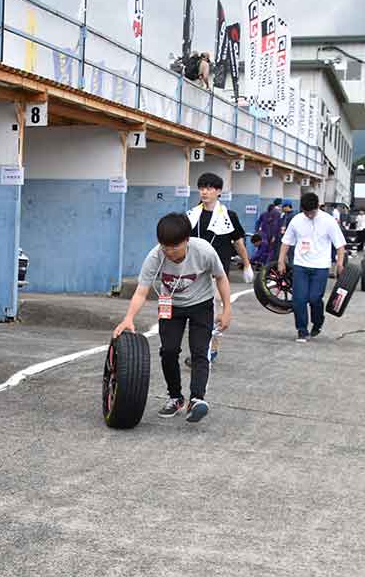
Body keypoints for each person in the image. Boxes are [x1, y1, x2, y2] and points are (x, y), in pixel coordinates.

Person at [114, 212, 230, 423]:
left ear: (187, 240)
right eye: (165, 246)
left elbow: (221, 278)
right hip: (171, 307)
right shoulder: (155, 256)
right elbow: (142, 290)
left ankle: (197, 399)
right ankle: (175, 397)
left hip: (201, 305)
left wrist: (227, 309)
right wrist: (128, 318)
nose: (169, 252)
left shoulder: (203, 251)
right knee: (168, 351)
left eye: (174, 247)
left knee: (199, 352)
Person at [187, 172, 250, 364]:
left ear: (218, 191)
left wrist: (246, 263)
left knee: (213, 311)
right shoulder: (192, 215)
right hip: (194, 272)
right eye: (202, 188)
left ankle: (210, 349)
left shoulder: (228, 216)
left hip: (217, 272)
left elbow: (238, 242)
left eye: (210, 188)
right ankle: (202, 350)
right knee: (195, 312)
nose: (205, 192)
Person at [278, 190, 347, 340]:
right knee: (299, 300)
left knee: (315, 298)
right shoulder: (296, 220)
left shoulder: (328, 221)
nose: (309, 215)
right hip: (300, 265)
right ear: (302, 209)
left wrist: (340, 264)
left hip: (321, 267)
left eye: (312, 212)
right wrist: (281, 260)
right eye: (306, 212)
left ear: (318, 207)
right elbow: (286, 242)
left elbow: (340, 245)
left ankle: (318, 322)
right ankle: (302, 330)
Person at [253, 199, 284, 266]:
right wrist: (274, 236)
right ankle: (265, 264)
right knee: (269, 251)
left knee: (264, 250)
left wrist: (257, 231)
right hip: (268, 236)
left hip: (265, 235)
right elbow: (277, 225)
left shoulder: (266, 214)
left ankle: (262, 263)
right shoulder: (276, 214)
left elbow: (258, 222)